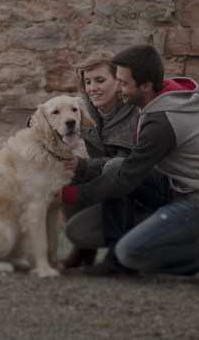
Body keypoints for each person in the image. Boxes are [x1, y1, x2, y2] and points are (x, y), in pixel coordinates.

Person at [59, 44, 199, 287]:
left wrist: (68, 195)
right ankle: (116, 264)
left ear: (145, 85)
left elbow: (127, 180)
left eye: (122, 83)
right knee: (116, 167)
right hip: (176, 188)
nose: (117, 88)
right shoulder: (155, 100)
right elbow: (122, 169)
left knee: (131, 252)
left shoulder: (162, 121)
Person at [59, 50, 141, 268]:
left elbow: (126, 166)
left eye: (100, 80)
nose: (92, 88)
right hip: (105, 181)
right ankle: (84, 252)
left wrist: (82, 165)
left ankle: (138, 247)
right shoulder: (84, 105)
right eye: (87, 81)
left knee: (77, 231)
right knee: (64, 178)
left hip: (135, 191)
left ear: (118, 82)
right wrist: (34, 118)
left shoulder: (135, 111)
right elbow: (55, 110)